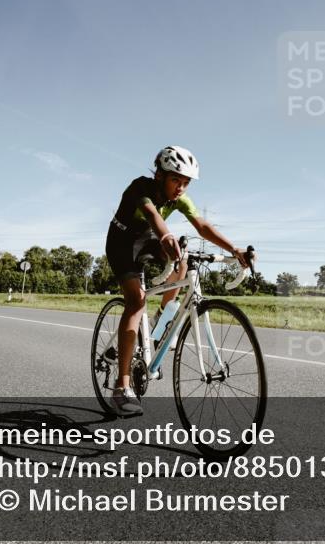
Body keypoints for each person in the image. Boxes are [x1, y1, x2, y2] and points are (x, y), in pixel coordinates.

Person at [105, 146, 250, 414]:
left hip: (149, 239)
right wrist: (166, 237)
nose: (181, 188)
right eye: (176, 180)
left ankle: (163, 316)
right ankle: (121, 387)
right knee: (136, 302)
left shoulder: (180, 199)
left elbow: (203, 227)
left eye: (186, 183)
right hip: (122, 242)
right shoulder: (141, 187)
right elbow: (152, 215)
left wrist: (234, 249)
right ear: (159, 175)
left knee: (183, 258)